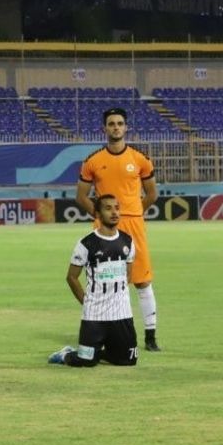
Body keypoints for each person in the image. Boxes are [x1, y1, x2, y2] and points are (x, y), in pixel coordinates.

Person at [75, 107, 160, 351]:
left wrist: (132, 213)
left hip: (133, 224)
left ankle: (150, 337)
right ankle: (102, 333)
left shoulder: (140, 159)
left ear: (126, 127)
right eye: (111, 123)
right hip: (104, 229)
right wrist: (102, 217)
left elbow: (152, 193)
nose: (116, 127)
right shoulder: (93, 161)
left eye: (120, 123)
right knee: (103, 282)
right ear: (104, 128)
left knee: (142, 281)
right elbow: (81, 196)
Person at [49, 194, 138, 367]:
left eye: (116, 208)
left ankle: (98, 353)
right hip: (94, 315)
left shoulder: (128, 240)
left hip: (122, 314)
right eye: (108, 208)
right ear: (97, 214)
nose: (114, 212)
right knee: (85, 361)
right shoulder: (86, 243)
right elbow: (71, 277)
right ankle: (66, 354)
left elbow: (128, 275)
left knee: (128, 360)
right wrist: (86, 301)